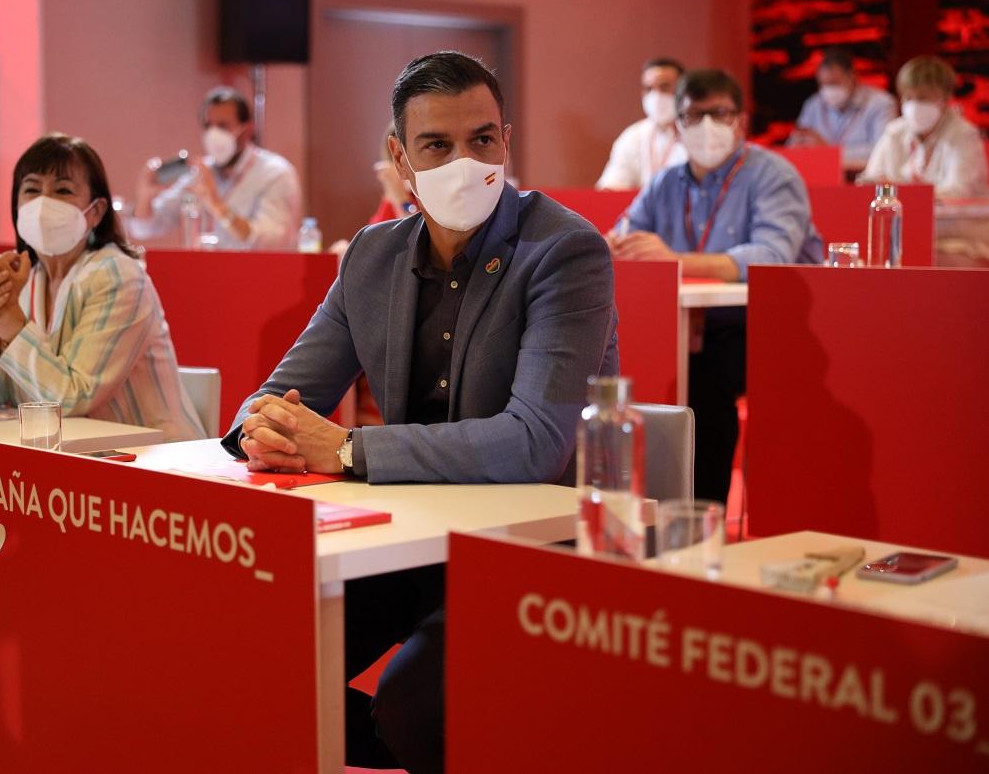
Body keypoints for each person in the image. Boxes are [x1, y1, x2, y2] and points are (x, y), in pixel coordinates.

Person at [223, 51, 618, 774]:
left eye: (483, 139)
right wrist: (264, 424)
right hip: (410, 539)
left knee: (412, 703)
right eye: (438, 145)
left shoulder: (566, 251)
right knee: (248, 654)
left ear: (507, 141)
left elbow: (536, 443)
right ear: (400, 159)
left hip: (532, 551)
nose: (465, 161)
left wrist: (344, 450)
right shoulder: (371, 254)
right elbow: (283, 391)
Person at [608, 68, 823, 504]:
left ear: (740, 121)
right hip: (686, 328)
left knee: (704, 384)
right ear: (678, 125)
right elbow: (625, 232)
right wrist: (618, 244)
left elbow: (772, 256)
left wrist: (673, 260)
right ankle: (631, 505)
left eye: (719, 114)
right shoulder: (666, 182)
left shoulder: (772, 175)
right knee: (620, 358)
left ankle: (698, 514)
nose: (707, 126)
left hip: (770, 327)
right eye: (694, 116)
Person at [0, 133, 205, 441]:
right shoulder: (24, 279)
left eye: (62, 190)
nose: (43, 203)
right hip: (68, 460)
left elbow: (72, 398)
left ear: (97, 211)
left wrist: (8, 318)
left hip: (152, 463)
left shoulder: (117, 275)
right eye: (32, 190)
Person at [130, 86, 301, 250]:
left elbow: (273, 242)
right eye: (208, 126)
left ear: (247, 129)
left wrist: (217, 205)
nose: (214, 134)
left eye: (223, 126)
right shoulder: (202, 172)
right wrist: (145, 196)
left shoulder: (275, 173)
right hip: (207, 272)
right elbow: (144, 229)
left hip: (257, 274)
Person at [860, 55, 989, 200]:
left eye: (923, 98)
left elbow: (958, 192)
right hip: (900, 218)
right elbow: (869, 182)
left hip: (954, 222)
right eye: (908, 98)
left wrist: (899, 191)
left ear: (945, 99)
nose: (914, 105)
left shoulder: (964, 134)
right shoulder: (894, 132)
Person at [787, 47, 897, 174]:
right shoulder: (814, 104)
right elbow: (791, 147)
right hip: (820, 177)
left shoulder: (880, 103)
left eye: (834, 83)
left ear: (853, 77)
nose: (828, 90)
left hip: (861, 179)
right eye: (823, 84)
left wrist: (827, 152)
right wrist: (796, 146)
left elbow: (882, 152)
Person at [595, 57, 688, 190]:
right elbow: (612, 187)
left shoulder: (696, 135)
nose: (656, 95)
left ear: (682, 90)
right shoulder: (632, 136)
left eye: (664, 87)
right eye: (649, 88)